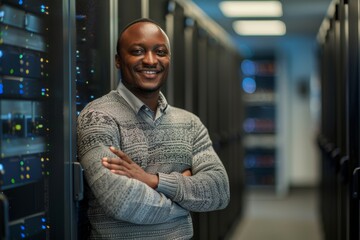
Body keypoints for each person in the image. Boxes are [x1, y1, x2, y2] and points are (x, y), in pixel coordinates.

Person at [77, 18, 230, 240]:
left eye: (160, 52)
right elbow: (121, 200)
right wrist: (184, 206)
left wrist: (155, 181)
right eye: (138, 51)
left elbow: (219, 191)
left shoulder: (189, 123)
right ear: (118, 61)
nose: (150, 60)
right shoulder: (98, 117)